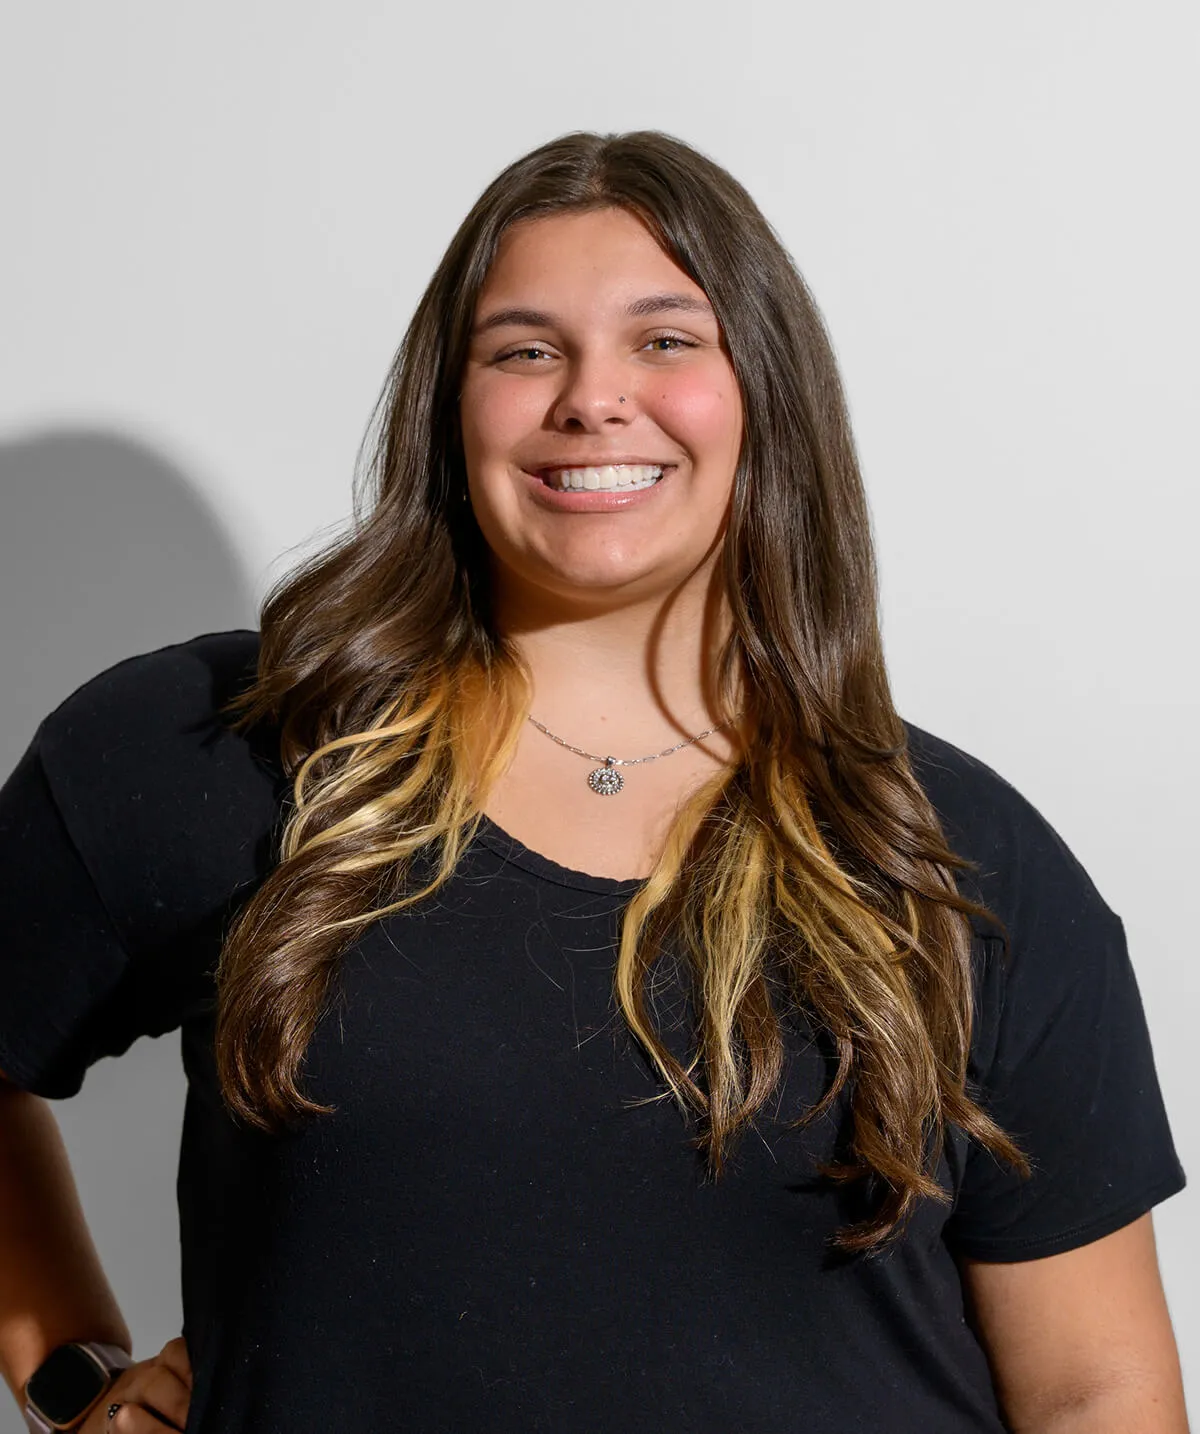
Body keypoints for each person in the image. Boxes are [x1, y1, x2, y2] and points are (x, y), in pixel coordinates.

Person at [0, 129, 1188, 1434]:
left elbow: (1099, 1386)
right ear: (451, 409)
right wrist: (74, 1379)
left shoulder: (955, 854)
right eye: (525, 349)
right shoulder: (220, 752)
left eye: (666, 340)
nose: (593, 397)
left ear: (764, 397)